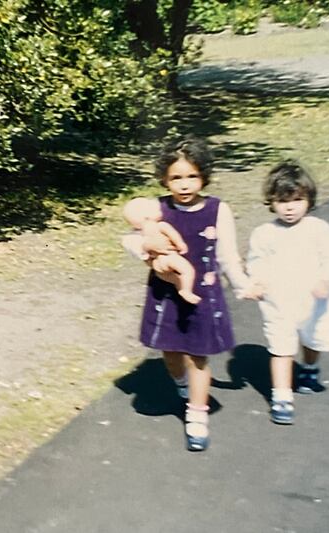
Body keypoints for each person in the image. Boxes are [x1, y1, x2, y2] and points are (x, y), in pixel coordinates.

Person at [122, 136, 250, 451]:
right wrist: (145, 248)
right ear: (165, 179)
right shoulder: (157, 209)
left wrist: (242, 284)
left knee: (198, 357)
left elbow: (228, 255)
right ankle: (181, 384)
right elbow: (129, 239)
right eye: (176, 177)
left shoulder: (218, 210)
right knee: (171, 353)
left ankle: (197, 413)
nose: (184, 184)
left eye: (191, 176)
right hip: (165, 296)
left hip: (203, 294)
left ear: (203, 175)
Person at [243, 160, 329, 425]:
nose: (289, 207)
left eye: (297, 200)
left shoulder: (317, 229)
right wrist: (258, 282)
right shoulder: (264, 233)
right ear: (271, 202)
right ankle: (282, 396)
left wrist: (326, 280)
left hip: (312, 300)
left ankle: (309, 368)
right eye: (282, 201)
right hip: (278, 303)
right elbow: (256, 261)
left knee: (312, 339)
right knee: (281, 348)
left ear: (308, 200)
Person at [123, 198, 201, 305]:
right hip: (170, 257)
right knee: (188, 271)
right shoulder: (160, 225)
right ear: (147, 217)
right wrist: (181, 244)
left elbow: (133, 247)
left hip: (157, 265)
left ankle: (180, 287)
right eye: (157, 210)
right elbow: (173, 234)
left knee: (175, 279)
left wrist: (146, 248)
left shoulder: (135, 235)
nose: (161, 212)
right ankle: (186, 290)